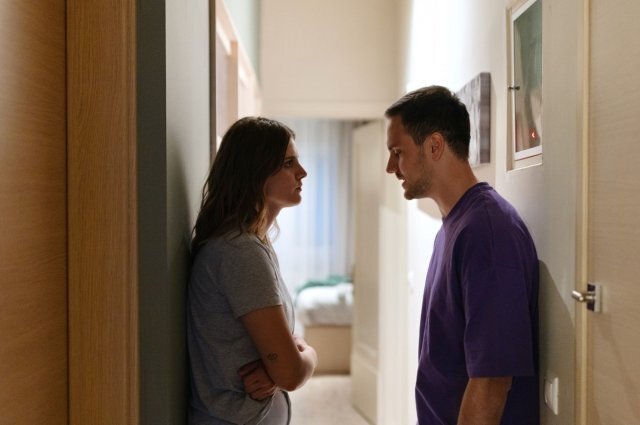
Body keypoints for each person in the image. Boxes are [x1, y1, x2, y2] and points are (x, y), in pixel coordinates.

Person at [384, 86, 539, 425]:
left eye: (397, 152)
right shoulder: (455, 225)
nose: (390, 167)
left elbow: (491, 382)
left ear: (434, 146)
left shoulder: (487, 232)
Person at [187, 116, 317, 425]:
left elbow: (280, 358)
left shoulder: (248, 244)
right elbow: (290, 374)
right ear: (255, 173)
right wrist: (309, 353)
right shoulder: (240, 252)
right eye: (289, 163)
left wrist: (286, 359)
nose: (302, 172)